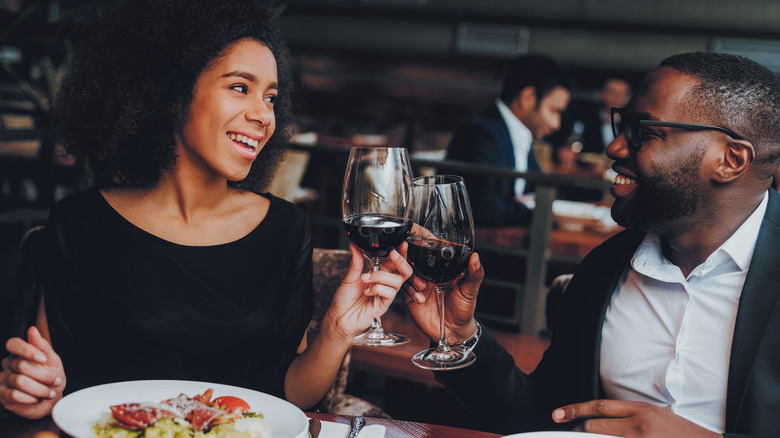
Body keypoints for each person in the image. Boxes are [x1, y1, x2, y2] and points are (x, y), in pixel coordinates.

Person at [0, 0, 412, 420]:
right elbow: (48, 381)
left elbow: (289, 396)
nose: (262, 115)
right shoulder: (79, 223)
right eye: (239, 87)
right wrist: (34, 389)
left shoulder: (285, 229)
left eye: (271, 98)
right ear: (170, 92)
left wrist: (336, 333)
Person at [406, 51, 780, 437]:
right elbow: (541, 416)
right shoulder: (607, 265)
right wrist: (459, 335)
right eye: (622, 125)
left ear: (730, 159)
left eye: (643, 131)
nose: (616, 148)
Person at [446, 55, 573, 227]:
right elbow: (483, 209)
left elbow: (541, 190)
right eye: (554, 111)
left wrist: (520, 204)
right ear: (527, 98)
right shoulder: (480, 133)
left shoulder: (519, 133)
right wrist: (526, 208)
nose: (556, 124)